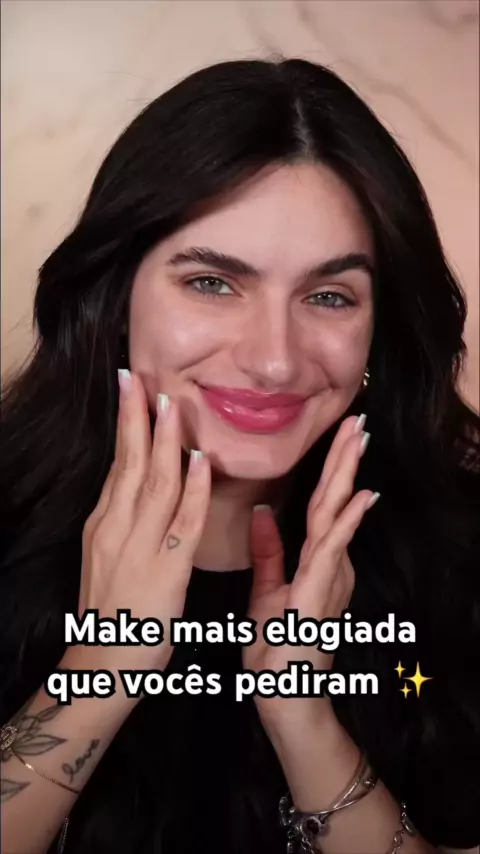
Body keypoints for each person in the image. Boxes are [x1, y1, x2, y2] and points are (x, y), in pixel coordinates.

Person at [0, 56, 479, 854]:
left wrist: (305, 721)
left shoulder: (459, 554)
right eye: (212, 283)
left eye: (329, 296)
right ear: (115, 295)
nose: (275, 361)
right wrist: (105, 663)